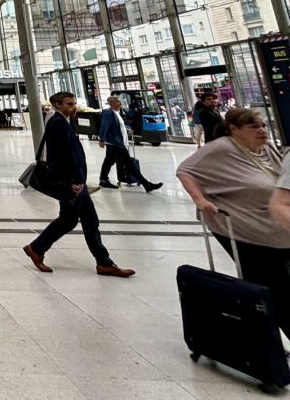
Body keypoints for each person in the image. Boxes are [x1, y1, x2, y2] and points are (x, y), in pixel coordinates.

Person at [178, 108, 290, 338]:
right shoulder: (221, 148)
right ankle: (267, 342)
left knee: (274, 286)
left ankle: (262, 335)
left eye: (263, 125)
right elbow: (185, 170)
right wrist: (200, 200)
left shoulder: (267, 148)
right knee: (275, 288)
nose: (261, 130)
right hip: (243, 228)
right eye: (254, 127)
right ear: (234, 130)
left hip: (278, 229)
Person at [23, 92, 135, 278]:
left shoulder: (61, 120)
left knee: (76, 220)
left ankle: (38, 248)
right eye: (68, 104)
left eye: (74, 103)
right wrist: (76, 180)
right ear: (56, 105)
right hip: (71, 182)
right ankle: (103, 262)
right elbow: (67, 154)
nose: (73, 107)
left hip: (72, 180)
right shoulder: (58, 123)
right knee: (81, 221)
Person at [98, 96, 162, 192]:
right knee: (129, 164)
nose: (120, 103)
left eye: (120, 101)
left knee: (109, 161)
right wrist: (101, 139)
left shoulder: (117, 113)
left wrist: (127, 130)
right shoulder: (108, 113)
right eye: (118, 101)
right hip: (114, 143)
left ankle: (103, 180)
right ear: (112, 103)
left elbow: (118, 125)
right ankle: (146, 184)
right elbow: (104, 125)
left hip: (117, 142)